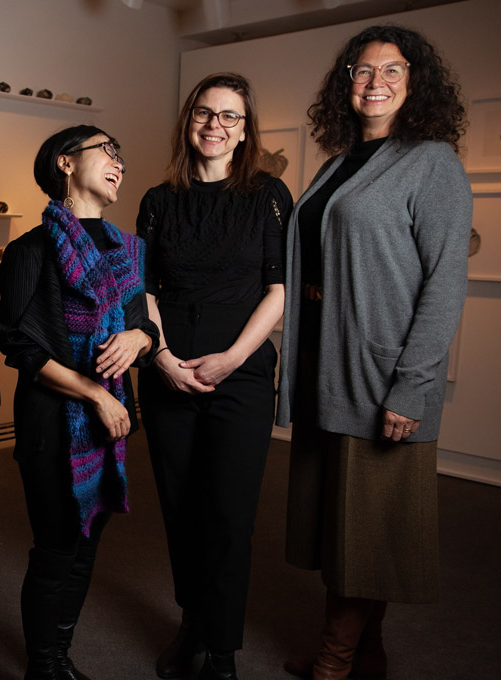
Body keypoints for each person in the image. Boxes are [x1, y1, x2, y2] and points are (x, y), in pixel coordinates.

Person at [275, 25, 471, 680]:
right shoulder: (336, 164)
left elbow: (444, 287)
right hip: (326, 372)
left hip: (380, 377)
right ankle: (369, 657)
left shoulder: (433, 162)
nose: (375, 82)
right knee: (347, 530)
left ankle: (334, 664)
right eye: (362, 70)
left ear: (416, 84)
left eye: (392, 71)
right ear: (346, 82)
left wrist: (412, 387)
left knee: (365, 535)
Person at [136, 73, 292, 680]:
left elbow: (278, 292)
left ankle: (222, 649)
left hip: (242, 372)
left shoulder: (269, 195)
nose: (216, 126)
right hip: (169, 369)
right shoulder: (158, 199)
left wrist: (230, 358)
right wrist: (164, 359)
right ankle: (192, 626)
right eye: (206, 113)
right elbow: (143, 290)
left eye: (231, 117)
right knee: (181, 508)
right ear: (188, 121)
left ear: (245, 130)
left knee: (228, 514)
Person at [0, 125, 157, 680]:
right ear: (66, 163)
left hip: (109, 423)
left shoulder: (129, 251)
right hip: (54, 423)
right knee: (59, 546)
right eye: (107, 151)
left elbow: (144, 330)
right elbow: (16, 341)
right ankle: (44, 665)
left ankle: (58, 656)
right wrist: (91, 391)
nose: (119, 163)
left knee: (87, 545)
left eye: (122, 156)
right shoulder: (30, 250)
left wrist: (140, 339)